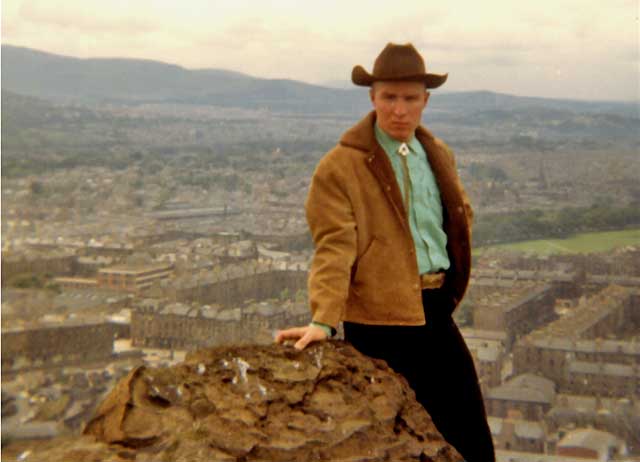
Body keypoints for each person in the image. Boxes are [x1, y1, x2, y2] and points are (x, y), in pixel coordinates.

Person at [275, 42, 495, 462]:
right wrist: (323, 318)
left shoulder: (439, 155)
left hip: (433, 310)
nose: (399, 109)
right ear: (372, 97)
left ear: (425, 101)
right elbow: (334, 246)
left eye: (410, 98)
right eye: (389, 97)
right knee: (389, 440)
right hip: (376, 323)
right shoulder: (340, 166)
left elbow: (459, 218)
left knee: (470, 434)